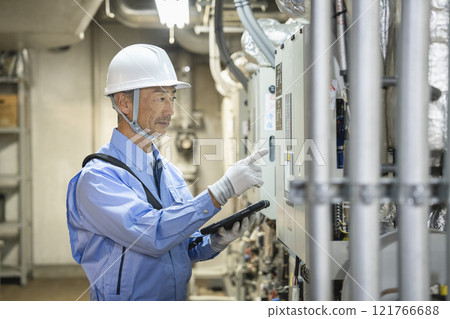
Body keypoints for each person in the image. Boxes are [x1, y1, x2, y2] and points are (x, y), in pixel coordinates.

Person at [66, 44, 268, 301]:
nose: (171, 111)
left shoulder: (168, 173)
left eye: (172, 98)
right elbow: (152, 235)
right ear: (124, 103)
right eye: (160, 98)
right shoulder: (98, 179)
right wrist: (220, 192)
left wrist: (214, 242)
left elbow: (180, 244)